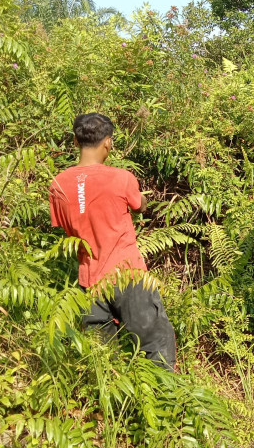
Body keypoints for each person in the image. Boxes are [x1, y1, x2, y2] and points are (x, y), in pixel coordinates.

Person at [49, 112, 176, 370]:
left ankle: (110, 408)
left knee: (104, 359)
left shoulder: (58, 185)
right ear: (108, 142)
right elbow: (140, 206)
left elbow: (66, 229)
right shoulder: (121, 178)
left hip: (90, 283)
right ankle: (168, 402)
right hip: (127, 276)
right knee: (156, 344)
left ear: (75, 141)